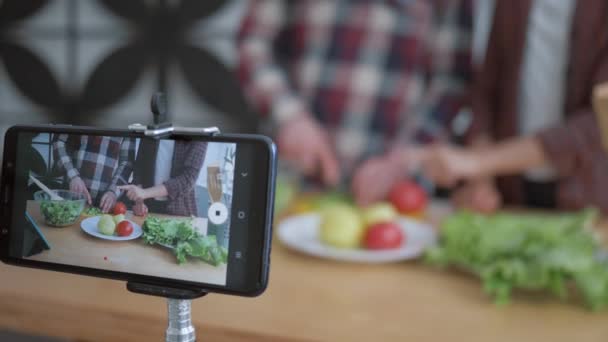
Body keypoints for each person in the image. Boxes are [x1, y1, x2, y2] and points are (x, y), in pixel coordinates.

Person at [364, 0, 608, 214]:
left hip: (589, 202)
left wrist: (479, 162)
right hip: (513, 197)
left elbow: (597, 122)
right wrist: (482, 180)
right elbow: (486, 89)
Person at [238, 0, 472, 188]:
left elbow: (451, 82)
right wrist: (290, 117)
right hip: (293, 177)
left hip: (396, 191)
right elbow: (253, 43)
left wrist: (403, 160)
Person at [119, 139, 207, 217]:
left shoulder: (198, 132)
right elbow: (140, 168)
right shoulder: (154, 126)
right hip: (148, 209)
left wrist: (145, 193)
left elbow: (187, 179)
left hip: (180, 211)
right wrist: (139, 201)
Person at [53, 134, 136, 213]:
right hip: (70, 197)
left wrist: (113, 191)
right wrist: (72, 176)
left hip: (105, 206)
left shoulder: (127, 122)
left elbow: (126, 163)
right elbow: (59, 141)